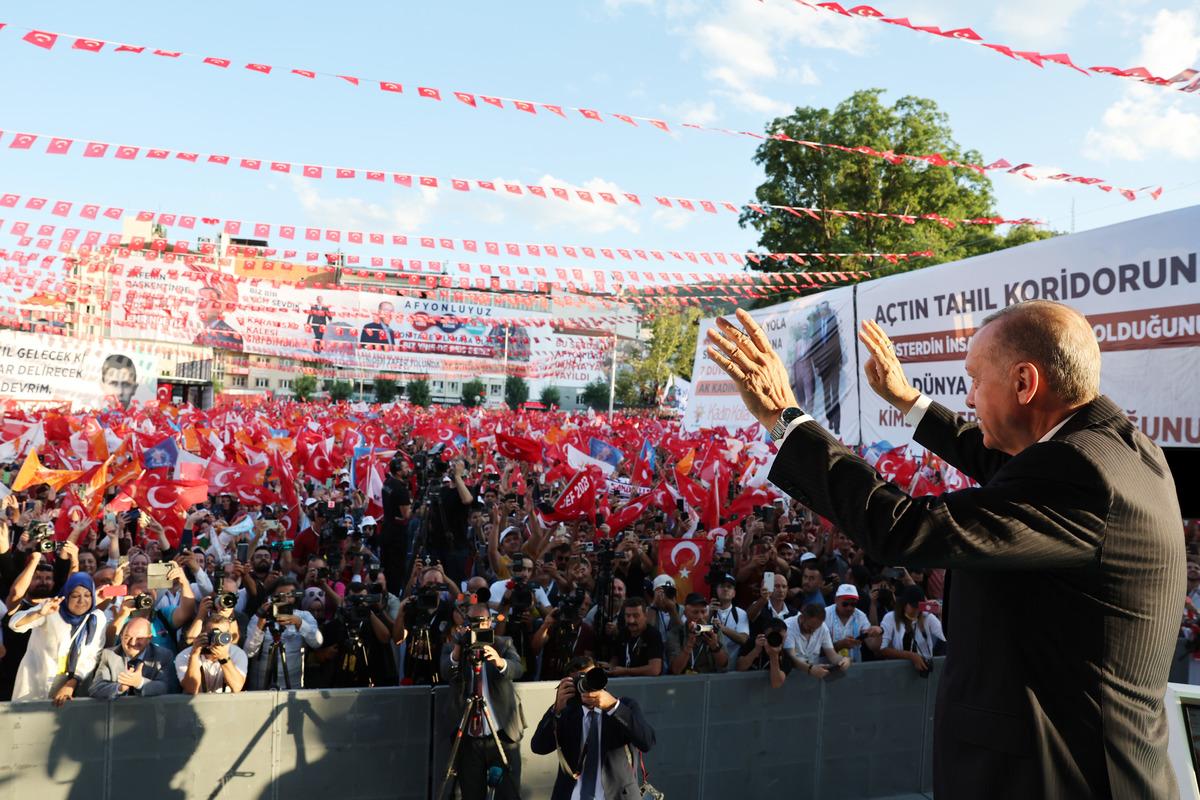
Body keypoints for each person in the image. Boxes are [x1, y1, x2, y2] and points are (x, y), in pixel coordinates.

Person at [706, 301, 1185, 798]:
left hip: (1054, 777)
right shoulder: (1113, 446)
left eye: (975, 380)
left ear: (1025, 383)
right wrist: (907, 400)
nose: (970, 398)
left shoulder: (1078, 474)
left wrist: (784, 418)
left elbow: (904, 529)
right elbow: (997, 459)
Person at [530, 656, 657, 800]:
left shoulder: (624, 706)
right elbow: (538, 747)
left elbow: (647, 742)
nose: (587, 685)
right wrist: (556, 710)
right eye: (580, 680)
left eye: (591, 677)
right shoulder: (566, 713)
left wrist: (613, 707)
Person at [440, 600, 525, 800]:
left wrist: (499, 661)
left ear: (490, 622)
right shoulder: (453, 646)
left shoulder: (503, 643)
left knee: (508, 794)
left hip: (502, 734)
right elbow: (446, 672)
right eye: (474, 621)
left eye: (482, 621)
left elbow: (518, 669)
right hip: (468, 738)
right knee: (471, 794)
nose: (478, 625)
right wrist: (459, 649)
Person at [8, 572, 106, 704]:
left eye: (87, 595)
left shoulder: (97, 618)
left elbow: (92, 655)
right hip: (38, 680)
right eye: (75, 595)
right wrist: (39, 613)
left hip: (73, 684)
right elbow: (14, 624)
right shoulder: (52, 608)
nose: (82, 601)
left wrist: (71, 684)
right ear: (66, 595)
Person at [89, 616, 179, 698]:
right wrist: (120, 688)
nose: (132, 642)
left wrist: (139, 683)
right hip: (118, 712)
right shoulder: (109, 655)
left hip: (151, 712)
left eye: (139, 638)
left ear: (149, 639)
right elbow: (95, 689)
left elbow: (167, 687)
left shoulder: (164, 656)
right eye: (127, 637)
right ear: (121, 637)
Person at [879, 586, 945, 676]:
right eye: (914, 606)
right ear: (904, 604)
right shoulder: (890, 618)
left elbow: (945, 636)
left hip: (923, 672)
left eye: (920, 606)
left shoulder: (927, 616)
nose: (917, 610)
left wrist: (941, 614)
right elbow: (883, 649)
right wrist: (911, 656)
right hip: (897, 673)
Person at [176, 616, 247, 694]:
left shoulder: (237, 654)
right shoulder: (185, 655)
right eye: (212, 634)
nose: (217, 638)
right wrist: (194, 656)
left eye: (221, 634)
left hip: (226, 703)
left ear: (229, 636)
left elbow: (237, 687)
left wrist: (224, 658)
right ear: (202, 633)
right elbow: (191, 689)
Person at [666, 592, 728, 674]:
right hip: (684, 682)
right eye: (695, 612)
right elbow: (675, 670)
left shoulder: (713, 630)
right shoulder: (675, 633)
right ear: (685, 613)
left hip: (709, 681)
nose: (700, 617)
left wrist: (715, 646)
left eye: (703, 612)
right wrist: (688, 646)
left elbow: (724, 665)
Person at [784, 604, 850, 678]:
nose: (812, 631)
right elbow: (792, 657)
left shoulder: (823, 628)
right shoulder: (788, 627)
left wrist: (843, 660)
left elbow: (832, 655)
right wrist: (810, 669)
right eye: (810, 627)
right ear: (802, 618)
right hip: (791, 677)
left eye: (816, 628)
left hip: (814, 678)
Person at [605, 597, 663, 678]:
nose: (631, 620)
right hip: (622, 683)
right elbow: (616, 658)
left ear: (645, 615)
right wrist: (610, 667)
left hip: (645, 685)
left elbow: (654, 670)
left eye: (636, 616)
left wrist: (625, 671)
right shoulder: (622, 633)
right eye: (628, 616)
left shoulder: (653, 635)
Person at [825, 583, 876, 664]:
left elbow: (873, 646)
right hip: (827, 668)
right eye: (845, 604)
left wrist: (878, 632)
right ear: (836, 600)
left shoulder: (860, 616)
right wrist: (839, 645)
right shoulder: (825, 615)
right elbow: (816, 648)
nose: (849, 608)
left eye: (853, 604)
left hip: (854, 668)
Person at [193, 281, 244, 351]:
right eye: (197, 300)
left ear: (220, 307)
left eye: (205, 300)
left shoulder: (230, 336)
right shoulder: (201, 334)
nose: (200, 305)